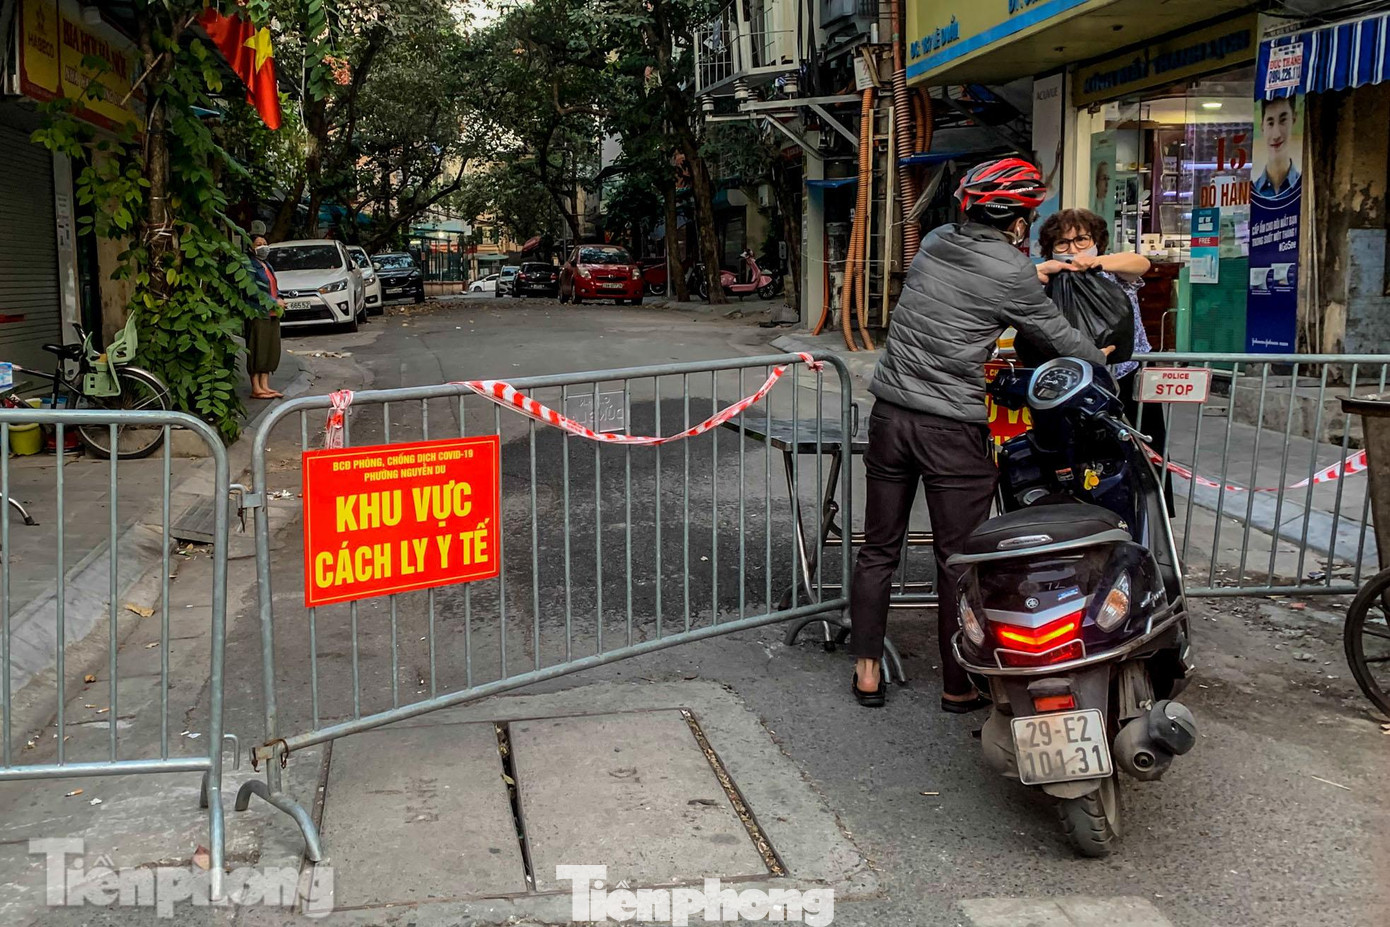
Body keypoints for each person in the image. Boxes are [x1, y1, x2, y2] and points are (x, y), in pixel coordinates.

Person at [850, 158, 1110, 711]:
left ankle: (867, 669)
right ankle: (956, 684)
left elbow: (966, 290)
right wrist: (1102, 362)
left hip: (889, 416)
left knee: (878, 549)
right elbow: (1059, 336)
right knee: (957, 558)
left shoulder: (937, 241)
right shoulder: (1012, 270)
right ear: (1017, 219)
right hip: (950, 427)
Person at [1034, 208, 1171, 509]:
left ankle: (1151, 525)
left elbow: (1141, 263)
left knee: (1144, 455)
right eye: (1063, 243)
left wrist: (1095, 262)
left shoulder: (1112, 270)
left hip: (1127, 378)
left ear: (1096, 240)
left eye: (1082, 239)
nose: (1073, 248)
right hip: (1072, 386)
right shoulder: (1048, 279)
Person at [247, 235, 284, 400]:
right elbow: (252, 291)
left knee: (271, 349)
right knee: (258, 349)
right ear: (250, 247)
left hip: (273, 313)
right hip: (259, 312)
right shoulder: (249, 266)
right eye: (258, 244)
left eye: (265, 243)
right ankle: (256, 387)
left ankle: (265, 385)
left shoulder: (267, 265)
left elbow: (274, 287)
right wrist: (273, 302)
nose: (263, 247)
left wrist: (280, 298)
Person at [1252, 97, 1300, 197]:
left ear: (1294, 120)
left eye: (1283, 120)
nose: (1276, 135)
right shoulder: (1254, 193)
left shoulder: (1303, 188)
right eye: (1270, 123)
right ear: (1262, 127)